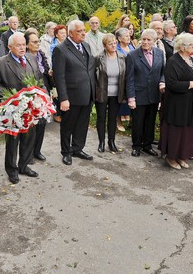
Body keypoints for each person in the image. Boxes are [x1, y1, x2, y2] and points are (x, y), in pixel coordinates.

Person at [0, 32, 45, 183]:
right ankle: (11, 170)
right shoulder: (0, 63)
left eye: (23, 44)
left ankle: (24, 165)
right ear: (9, 47)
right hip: (13, 108)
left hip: (31, 109)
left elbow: (40, 79)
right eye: (18, 45)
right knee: (13, 141)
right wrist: (12, 96)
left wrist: (43, 95)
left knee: (29, 137)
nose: (22, 48)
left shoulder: (31, 58)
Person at [52, 19, 96, 166]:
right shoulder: (61, 49)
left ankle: (77, 148)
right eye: (79, 31)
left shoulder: (87, 46)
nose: (83, 33)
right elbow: (59, 76)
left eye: (84, 30)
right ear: (70, 33)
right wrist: (63, 98)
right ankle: (66, 152)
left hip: (87, 93)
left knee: (82, 124)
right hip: (71, 96)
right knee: (68, 125)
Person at [160, 33, 193, 169]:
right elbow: (172, 83)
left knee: (188, 129)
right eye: (191, 45)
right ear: (182, 47)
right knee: (177, 130)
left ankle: (182, 156)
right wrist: (191, 84)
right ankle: (171, 157)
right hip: (177, 103)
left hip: (191, 101)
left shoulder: (191, 59)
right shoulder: (173, 61)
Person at [125, 28, 165, 156]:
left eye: (148, 40)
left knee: (150, 121)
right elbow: (129, 78)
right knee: (138, 122)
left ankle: (147, 145)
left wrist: (162, 81)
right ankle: (136, 146)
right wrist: (131, 98)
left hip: (154, 94)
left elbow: (163, 71)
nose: (145, 42)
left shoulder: (159, 53)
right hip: (139, 94)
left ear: (154, 41)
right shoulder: (133, 55)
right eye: (143, 39)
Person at [95, 33, 126, 153]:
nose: (113, 45)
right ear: (104, 45)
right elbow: (94, 76)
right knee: (101, 117)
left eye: (115, 43)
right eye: (110, 44)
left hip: (116, 93)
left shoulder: (123, 57)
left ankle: (111, 141)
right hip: (102, 93)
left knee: (113, 118)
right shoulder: (98, 58)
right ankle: (101, 141)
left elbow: (125, 76)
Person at [25, 28, 51, 160]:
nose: (38, 44)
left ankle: (37, 151)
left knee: (42, 122)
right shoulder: (23, 57)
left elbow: (45, 73)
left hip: (43, 92)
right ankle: (28, 154)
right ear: (27, 44)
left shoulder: (41, 54)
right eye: (34, 42)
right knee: (31, 125)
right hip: (30, 93)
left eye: (38, 41)